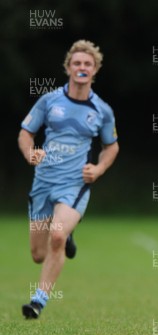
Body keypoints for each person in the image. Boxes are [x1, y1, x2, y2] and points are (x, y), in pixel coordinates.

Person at [18, 40, 119, 319]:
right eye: (77, 63)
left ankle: (39, 300)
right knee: (38, 254)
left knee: (57, 235)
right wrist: (30, 152)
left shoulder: (102, 110)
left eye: (87, 64)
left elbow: (112, 147)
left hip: (74, 184)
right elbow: (25, 133)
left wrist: (98, 170)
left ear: (95, 69)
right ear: (68, 67)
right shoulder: (49, 101)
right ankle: (66, 233)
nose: (82, 68)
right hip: (43, 183)